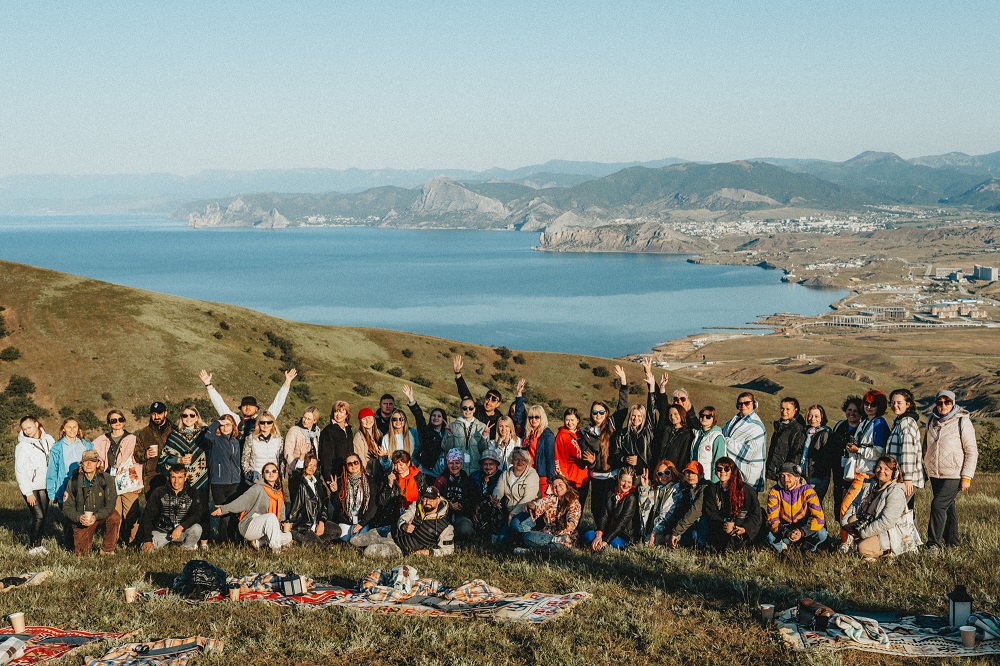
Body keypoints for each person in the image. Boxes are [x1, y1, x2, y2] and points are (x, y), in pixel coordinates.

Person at [923, 389, 978, 551]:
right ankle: (953, 543)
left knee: (938, 505)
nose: (943, 405)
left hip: (954, 473)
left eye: (947, 402)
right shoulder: (930, 420)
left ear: (953, 403)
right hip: (935, 473)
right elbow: (926, 445)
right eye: (939, 402)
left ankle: (933, 544)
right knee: (948, 507)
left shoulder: (962, 422)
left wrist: (966, 477)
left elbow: (971, 451)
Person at [579, 365, 630, 527]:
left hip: (612, 476)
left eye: (601, 412)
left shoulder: (612, 425)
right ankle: (599, 533)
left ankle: (609, 533)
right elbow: (586, 457)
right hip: (596, 477)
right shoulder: (586, 433)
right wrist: (592, 462)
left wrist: (623, 382)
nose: (598, 415)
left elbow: (623, 408)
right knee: (596, 509)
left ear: (606, 413)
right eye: (595, 412)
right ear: (591, 414)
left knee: (610, 509)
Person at [199, 367, 296, 444]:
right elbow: (220, 405)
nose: (248, 407)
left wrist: (287, 382)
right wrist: (208, 384)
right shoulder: (235, 420)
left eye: (251, 405)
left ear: (256, 409)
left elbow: (277, 403)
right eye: (245, 406)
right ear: (241, 409)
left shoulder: (262, 421)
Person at [351, 486, 454, 557]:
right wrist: (404, 525)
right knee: (354, 541)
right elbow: (404, 516)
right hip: (390, 532)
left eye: (431, 499)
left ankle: (366, 548)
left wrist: (429, 552)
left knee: (369, 552)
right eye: (425, 498)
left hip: (401, 548)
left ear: (438, 500)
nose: (427, 502)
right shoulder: (416, 505)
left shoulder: (445, 527)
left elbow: (449, 550)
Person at [211, 462, 291, 553]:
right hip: (249, 525)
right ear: (263, 475)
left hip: (267, 526)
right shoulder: (258, 488)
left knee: (288, 536)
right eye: (267, 471)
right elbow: (242, 502)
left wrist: (283, 525)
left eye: (274, 471)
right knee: (271, 517)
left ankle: (259, 543)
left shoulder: (279, 494)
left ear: (278, 474)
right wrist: (224, 509)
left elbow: (281, 517)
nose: (271, 473)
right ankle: (276, 550)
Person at [841, 456, 911, 559]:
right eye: (879, 467)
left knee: (863, 548)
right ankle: (859, 546)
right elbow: (855, 504)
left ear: (894, 473)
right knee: (850, 520)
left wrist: (862, 533)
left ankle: (888, 552)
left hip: (887, 532)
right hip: (869, 523)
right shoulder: (870, 484)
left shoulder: (896, 492)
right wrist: (844, 522)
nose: (881, 471)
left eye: (886, 469)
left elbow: (886, 522)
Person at [160, 405, 209, 548]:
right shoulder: (175, 435)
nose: (188, 418)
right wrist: (179, 460)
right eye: (185, 415)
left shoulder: (204, 434)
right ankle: (188, 540)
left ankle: (204, 542)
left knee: (203, 509)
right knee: (184, 510)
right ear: (181, 417)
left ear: (197, 417)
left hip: (202, 479)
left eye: (192, 415)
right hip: (182, 481)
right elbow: (163, 458)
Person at [92, 409, 143, 545]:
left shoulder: (132, 439)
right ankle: (113, 543)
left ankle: (133, 542)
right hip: (110, 482)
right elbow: (95, 455)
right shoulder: (101, 440)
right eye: (113, 420)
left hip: (128, 481)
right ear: (109, 423)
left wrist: (139, 482)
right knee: (115, 514)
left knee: (132, 513)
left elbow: (138, 462)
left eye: (120, 419)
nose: (117, 423)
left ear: (124, 421)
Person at [841, 390, 889, 519]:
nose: (869, 407)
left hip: (868, 474)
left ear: (879, 406)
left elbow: (879, 452)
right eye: (866, 404)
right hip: (859, 472)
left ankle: (847, 533)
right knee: (853, 511)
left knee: (846, 509)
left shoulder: (879, 424)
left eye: (873, 405)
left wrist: (858, 450)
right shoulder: (865, 422)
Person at [46, 418, 93, 550]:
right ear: (63, 429)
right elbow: (52, 471)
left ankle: (82, 546)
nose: (72, 430)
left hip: (84, 486)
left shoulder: (87, 445)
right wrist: (52, 493)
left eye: (75, 427)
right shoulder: (57, 448)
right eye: (69, 427)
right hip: (65, 488)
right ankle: (70, 547)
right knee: (68, 519)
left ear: (79, 429)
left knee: (83, 517)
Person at [62, 449, 120, 556]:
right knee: (82, 555)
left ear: (98, 464)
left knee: (114, 516)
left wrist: (96, 516)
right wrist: (79, 518)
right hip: (82, 520)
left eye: (92, 461)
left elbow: (110, 504)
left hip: (100, 515)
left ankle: (107, 549)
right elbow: (67, 508)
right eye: (86, 461)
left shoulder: (106, 479)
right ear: (82, 464)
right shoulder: (74, 481)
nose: (89, 464)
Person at [703, 457, 763, 552]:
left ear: (732, 471)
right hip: (722, 526)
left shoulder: (746, 490)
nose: (723, 472)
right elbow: (711, 512)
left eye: (726, 469)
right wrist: (723, 524)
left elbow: (756, 514)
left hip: (742, 526)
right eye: (719, 469)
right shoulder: (712, 490)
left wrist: (745, 528)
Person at [139, 464, 204, 551]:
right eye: (173, 477)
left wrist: (181, 527)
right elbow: (148, 516)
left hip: (182, 531)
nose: (176, 481)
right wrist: (148, 540)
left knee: (197, 529)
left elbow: (197, 515)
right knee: (146, 551)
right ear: (169, 477)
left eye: (180, 477)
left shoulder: (192, 492)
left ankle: (186, 547)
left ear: (185, 478)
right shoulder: (159, 492)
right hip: (162, 532)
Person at [765, 463, 827, 553]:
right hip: (784, 530)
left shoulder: (808, 491)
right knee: (769, 536)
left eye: (789, 476)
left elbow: (819, 518)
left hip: (803, 530)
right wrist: (786, 532)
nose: (785, 479)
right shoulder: (774, 491)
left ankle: (807, 549)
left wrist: (802, 531)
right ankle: (782, 550)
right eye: (782, 476)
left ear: (797, 478)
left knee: (822, 533)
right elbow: (772, 519)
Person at [15, 416, 55, 554]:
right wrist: (28, 492)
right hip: (31, 487)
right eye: (24, 429)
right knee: (38, 516)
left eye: (29, 427)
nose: (27, 431)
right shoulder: (22, 446)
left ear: (37, 424)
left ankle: (38, 545)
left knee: (43, 516)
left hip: (44, 484)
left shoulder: (48, 439)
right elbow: (19, 470)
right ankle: (32, 547)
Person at [202, 414, 242, 543]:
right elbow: (206, 435)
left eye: (228, 425)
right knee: (223, 513)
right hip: (219, 483)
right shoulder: (214, 440)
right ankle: (223, 541)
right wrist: (217, 422)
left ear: (233, 426)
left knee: (233, 512)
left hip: (234, 482)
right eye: (222, 425)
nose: (225, 428)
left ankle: (232, 538)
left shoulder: (236, 442)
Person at [517, 476, 582, 552]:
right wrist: (530, 505)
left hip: (566, 536)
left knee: (556, 547)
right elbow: (540, 504)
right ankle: (555, 540)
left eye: (560, 484)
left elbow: (573, 515)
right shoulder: (551, 498)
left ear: (566, 485)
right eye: (554, 486)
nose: (558, 487)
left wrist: (571, 524)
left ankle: (529, 551)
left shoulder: (573, 501)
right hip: (548, 534)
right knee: (526, 536)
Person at [287, 455, 340, 546]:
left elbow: (324, 504)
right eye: (309, 464)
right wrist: (301, 457)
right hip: (302, 526)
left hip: (316, 522)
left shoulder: (318, 483)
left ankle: (314, 538)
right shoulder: (297, 483)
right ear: (304, 465)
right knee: (317, 546)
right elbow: (296, 475)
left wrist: (321, 522)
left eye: (314, 465)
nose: (312, 468)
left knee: (337, 531)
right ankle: (299, 538)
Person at [886, 389, 924, 511]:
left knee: (898, 511)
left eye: (899, 403)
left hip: (906, 478)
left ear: (908, 404)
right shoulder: (900, 422)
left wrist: (907, 479)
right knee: (906, 512)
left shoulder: (906, 423)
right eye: (893, 402)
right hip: (901, 477)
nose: (895, 405)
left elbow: (908, 451)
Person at [721, 392, 768, 492]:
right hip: (731, 473)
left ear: (754, 404)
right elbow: (722, 433)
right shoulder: (732, 421)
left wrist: (726, 442)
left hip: (747, 476)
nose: (743, 406)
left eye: (747, 403)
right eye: (740, 403)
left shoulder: (757, 426)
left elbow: (750, 452)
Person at [584, 470, 639, 551]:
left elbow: (622, 522)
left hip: (623, 534)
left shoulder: (631, 498)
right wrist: (599, 534)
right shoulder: (611, 493)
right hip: (607, 530)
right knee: (588, 535)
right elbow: (604, 515)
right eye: (623, 481)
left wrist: (605, 540)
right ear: (618, 479)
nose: (626, 485)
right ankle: (598, 545)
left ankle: (601, 546)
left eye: (629, 482)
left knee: (615, 544)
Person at [432, 448, 480, 541]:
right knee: (437, 531)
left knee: (466, 530)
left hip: (461, 515)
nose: (454, 466)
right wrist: (448, 504)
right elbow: (434, 498)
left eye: (457, 463)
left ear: (461, 464)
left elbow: (473, 499)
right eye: (451, 463)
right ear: (447, 464)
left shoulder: (467, 480)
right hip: (444, 516)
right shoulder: (441, 480)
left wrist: (462, 504)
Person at [493, 447, 540, 539]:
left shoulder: (532, 474)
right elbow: (499, 489)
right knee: (501, 540)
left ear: (527, 462)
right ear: (512, 460)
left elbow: (528, 498)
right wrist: (496, 498)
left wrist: (513, 514)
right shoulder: (505, 474)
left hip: (526, 512)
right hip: (509, 511)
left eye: (523, 460)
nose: (520, 462)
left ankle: (530, 539)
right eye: (516, 459)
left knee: (515, 525)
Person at [828, 396, 863, 522]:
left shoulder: (863, 429)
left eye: (855, 411)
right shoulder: (839, 426)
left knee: (852, 507)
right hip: (839, 473)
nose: (852, 413)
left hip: (856, 475)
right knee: (839, 505)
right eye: (849, 410)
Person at [330, 452, 379, 542]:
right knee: (344, 540)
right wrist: (335, 492)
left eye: (356, 462)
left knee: (358, 541)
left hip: (362, 520)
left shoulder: (370, 481)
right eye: (350, 464)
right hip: (346, 520)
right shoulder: (341, 482)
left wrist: (362, 523)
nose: (353, 465)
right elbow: (337, 505)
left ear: (360, 463)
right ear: (346, 467)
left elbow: (373, 506)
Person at [662, 461, 710, 548]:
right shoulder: (686, 489)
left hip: (707, 525)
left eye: (694, 473)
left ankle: (703, 547)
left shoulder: (706, 487)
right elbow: (678, 511)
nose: (690, 476)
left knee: (701, 520)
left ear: (701, 475)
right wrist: (669, 531)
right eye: (687, 472)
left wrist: (676, 531)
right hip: (690, 526)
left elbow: (696, 511)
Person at [453, 354, 506, 433]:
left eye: (494, 399)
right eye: (488, 397)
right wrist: (457, 373)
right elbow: (465, 395)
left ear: (498, 404)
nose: (489, 401)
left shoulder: (500, 419)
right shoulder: (475, 410)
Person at [402, 384, 447, 474]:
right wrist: (411, 399)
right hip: (426, 471)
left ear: (443, 419)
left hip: (442, 473)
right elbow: (419, 417)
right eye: (433, 415)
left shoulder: (447, 434)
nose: (436, 418)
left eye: (439, 416)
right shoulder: (426, 431)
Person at [377, 449, 428, 526]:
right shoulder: (390, 476)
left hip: (414, 515)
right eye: (396, 464)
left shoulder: (418, 476)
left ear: (408, 463)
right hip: (394, 517)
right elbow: (382, 501)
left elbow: (424, 496)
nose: (398, 468)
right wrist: (389, 485)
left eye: (401, 465)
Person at [638, 460, 683, 546]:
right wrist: (644, 488)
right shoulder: (657, 489)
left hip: (668, 530)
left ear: (673, 472)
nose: (664, 476)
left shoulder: (676, 489)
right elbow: (644, 508)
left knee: (647, 542)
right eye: (660, 474)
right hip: (655, 529)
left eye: (667, 472)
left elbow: (667, 514)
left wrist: (654, 532)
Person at [134, 401, 174, 493]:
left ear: (165, 413)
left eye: (159, 413)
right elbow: (137, 453)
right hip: (151, 476)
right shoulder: (144, 433)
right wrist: (145, 455)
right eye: (153, 414)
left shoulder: (174, 430)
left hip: (172, 475)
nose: (156, 417)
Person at [765, 397, 806, 484]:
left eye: (788, 409)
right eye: (782, 408)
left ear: (795, 410)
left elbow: (796, 455)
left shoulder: (797, 429)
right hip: (772, 472)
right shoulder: (780, 426)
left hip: (785, 476)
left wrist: (788, 474)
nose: (784, 412)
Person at [443, 397, 487, 474]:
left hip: (476, 470)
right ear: (461, 409)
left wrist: (484, 436)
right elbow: (446, 448)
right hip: (458, 471)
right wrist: (449, 435)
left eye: (471, 408)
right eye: (465, 408)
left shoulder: (482, 427)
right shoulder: (452, 426)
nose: (468, 410)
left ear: (474, 409)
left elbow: (484, 449)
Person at [553, 408, 587, 508]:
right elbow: (559, 460)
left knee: (580, 508)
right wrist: (565, 480)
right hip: (570, 481)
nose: (570, 423)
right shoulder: (561, 436)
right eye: (567, 420)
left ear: (578, 420)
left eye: (572, 420)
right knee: (569, 508)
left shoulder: (582, 434)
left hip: (583, 479)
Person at [800, 405, 834, 502]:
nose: (812, 419)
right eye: (810, 415)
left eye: (816, 416)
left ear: (822, 417)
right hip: (804, 474)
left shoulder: (825, 433)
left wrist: (819, 472)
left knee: (814, 504)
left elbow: (827, 457)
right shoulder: (806, 432)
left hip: (817, 476)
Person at [319, 400, 354, 491]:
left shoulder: (348, 430)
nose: (338, 415)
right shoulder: (328, 431)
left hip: (349, 471)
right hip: (335, 474)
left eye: (341, 412)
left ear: (346, 414)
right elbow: (325, 456)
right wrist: (328, 478)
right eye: (336, 412)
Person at [521, 404, 556, 495]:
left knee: (542, 502)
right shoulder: (528, 433)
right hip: (527, 474)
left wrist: (551, 481)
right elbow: (519, 415)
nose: (533, 420)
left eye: (537, 417)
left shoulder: (547, 435)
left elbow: (550, 459)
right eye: (531, 417)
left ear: (542, 418)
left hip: (541, 476)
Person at [471, 447, 505, 538]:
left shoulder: (502, 476)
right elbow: (471, 494)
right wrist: (474, 506)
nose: (488, 467)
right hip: (479, 508)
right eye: (485, 464)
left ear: (496, 464)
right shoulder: (475, 476)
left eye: (491, 464)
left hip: (496, 508)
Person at [241, 411, 282, 482]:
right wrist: (251, 476)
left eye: (269, 422)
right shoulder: (251, 439)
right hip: (256, 479)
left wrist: (280, 476)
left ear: (273, 423)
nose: (266, 425)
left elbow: (281, 460)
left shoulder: (279, 440)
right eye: (262, 422)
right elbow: (245, 460)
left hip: (273, 479)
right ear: (258, 423)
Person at [691, 407, 727, 482]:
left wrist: (714, 483)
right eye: (702, 415)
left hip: (708, 478)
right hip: (694, 476)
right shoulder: (697, 434)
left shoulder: (717, 437)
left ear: (714, 419)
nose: (704, 418)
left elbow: (719, 462)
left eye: (708, 416)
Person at [283, 406, 322, 473]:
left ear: (314, 420)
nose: (305, 421)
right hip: (297, 471)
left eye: (309, 419)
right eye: (304, 417)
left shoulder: (317, 432)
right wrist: (297, 469)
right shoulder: (294, 431)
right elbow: (288, 453)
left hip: (313, 471)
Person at [353, 407, 388, 480]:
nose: (368, 421)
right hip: (368, 475)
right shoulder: (358, 438)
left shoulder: (379, 433)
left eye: (369, 417)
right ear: (360, 421)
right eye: (364, 419)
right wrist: (366, 476)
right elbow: (360, 459)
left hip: (380, 472)